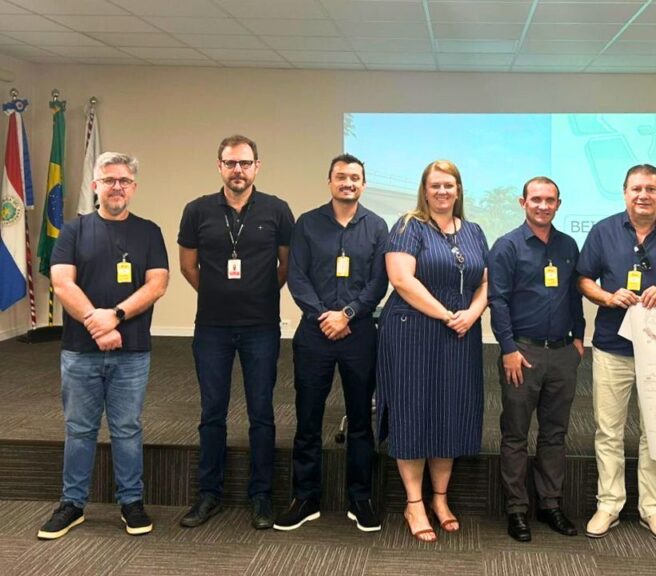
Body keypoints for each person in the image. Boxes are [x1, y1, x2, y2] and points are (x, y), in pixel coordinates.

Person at [37, 152, 169, 539]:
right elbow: (62, 283)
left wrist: (118, 316)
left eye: (124, 180)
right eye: (109, 180)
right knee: (79, 429)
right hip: (80, 350)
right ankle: (72, 504)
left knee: (127, 429)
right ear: (95, 186)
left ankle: (131, 503)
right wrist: (99, 324)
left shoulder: (149, 231)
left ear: (133, 187)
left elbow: (157, 283)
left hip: (132, 352)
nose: (116, 186)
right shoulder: (73, 231)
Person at [576, 164, 656, 543]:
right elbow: (583, 279)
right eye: (636, 189)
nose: (643, 195)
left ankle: (652, 508)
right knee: (608, 430)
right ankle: (609, 504)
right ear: (624, 192)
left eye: (651, 189)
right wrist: (607, 296)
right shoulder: (602, 231)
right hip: (612, 347)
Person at [178, 135, 295, 530]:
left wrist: (256, 294)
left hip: (261, 326)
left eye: (245, 163)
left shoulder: (277, 210)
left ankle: (260, 496)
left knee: (261, 413)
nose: (238, 170)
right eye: (231, 163)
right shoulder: (197, 211)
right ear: (220, 166)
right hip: (211, 327)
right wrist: (218, 294)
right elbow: (188, 267)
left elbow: (285, 267)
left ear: (257, 166)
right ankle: (208, 494)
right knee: (212, 413)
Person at [377, 160, 489, 542]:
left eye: (449, 185)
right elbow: (401, 279)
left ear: (459, 190)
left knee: (450, 411)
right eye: (435, 185)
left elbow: (486, 282)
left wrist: (471, 313)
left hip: (460, 333)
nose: (442, 192)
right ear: (424, 191)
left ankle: (440, 499)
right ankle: (414, 504)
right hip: (413, 330)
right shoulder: (410, 226)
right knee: (413, 410)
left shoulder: (474, 231)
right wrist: (445, 314)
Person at [274, 154, 388, 532]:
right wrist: (325, 315)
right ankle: (305, 497)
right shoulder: (307, 224)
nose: (348, 183)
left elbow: (378, 282)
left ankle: (360, 497)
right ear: (329, 182)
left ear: (364, 184)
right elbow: (297, 276)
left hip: (359, 335)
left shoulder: (376, 226)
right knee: (307, 417)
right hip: (315, 333)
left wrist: (349, 315)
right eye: (341, 177)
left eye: (355, 178)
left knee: (360, 419)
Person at [488, 177, 586, 542]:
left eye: (550, 200)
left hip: (563, 352)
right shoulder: (507, 246)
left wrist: (579, 337)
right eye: (536, 199)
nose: (543, 206)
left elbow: (574, 295)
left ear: (559, 204)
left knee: (555, 433)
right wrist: (508, 348)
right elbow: (497, 301)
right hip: (522, 353)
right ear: (522, 202)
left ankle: (550, 504)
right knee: (515, 433)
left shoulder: (567, 245)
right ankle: (517, 510)